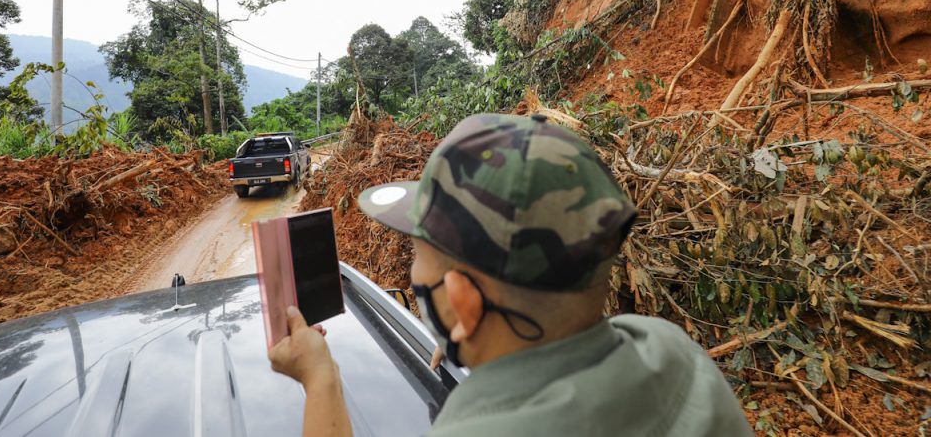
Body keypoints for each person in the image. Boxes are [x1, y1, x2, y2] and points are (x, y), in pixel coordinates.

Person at [269, 113, 753, 436]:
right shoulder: (672, 351)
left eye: (418, 255)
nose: (414, 270)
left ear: (464, 301)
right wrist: (474, 334)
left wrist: (322, 378)